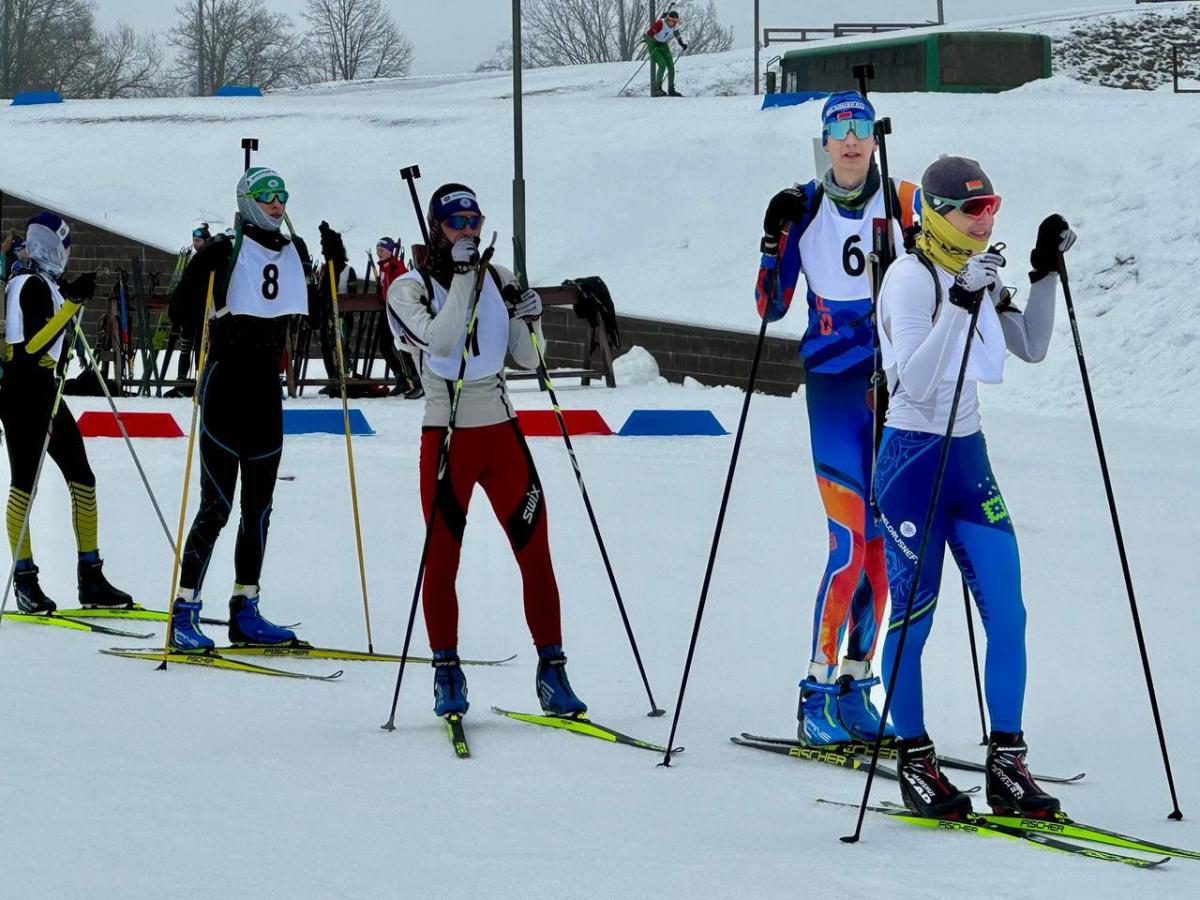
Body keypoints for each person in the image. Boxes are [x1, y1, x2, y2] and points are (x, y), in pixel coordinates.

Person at [874, 154, 1076, 818]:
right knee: (913, 620)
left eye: (991, 208)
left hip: (967, 462)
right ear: (935, 214)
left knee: (1010, 617)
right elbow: (914, 382)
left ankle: (1007, 764)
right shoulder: (910, 279)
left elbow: (1032, 345)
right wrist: (960, 302)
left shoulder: (976, 273)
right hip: (911, 465)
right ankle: (914, 759)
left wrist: (1044, 271)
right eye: (971, 209)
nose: (984, 220)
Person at [385, 183, 586, 720]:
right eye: (456, 223)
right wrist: (460, 277)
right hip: (446, 434)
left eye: (474, 221)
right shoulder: (410, 287)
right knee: (443, 558)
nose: (467, 231)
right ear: (436, 229)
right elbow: (444, 342)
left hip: (502, 433)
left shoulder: (498, 277)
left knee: (535, 551)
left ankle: (553, 671)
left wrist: (531, 316)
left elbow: (526, 358)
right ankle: (446, 671)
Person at [755, 90, 919, 746]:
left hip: (892, 388)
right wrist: (773, 241)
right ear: (825, 142)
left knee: (885, 549)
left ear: (873, 139)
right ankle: (816, 691)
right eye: (838, 130)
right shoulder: (803, 205)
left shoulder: (903, 200)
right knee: (848, 543)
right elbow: (771, 305)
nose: (850, 142)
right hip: (832, 386)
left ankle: (856, 682)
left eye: (860, 129)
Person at [166, 167, 312, 650]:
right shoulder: (220, 251)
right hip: (225, 386)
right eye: (266, 195)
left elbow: (311, 310)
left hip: (265, 393)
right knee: (218, 506)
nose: (276, 203)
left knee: (259, 509)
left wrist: (327, 265)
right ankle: (184, 611)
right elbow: (181, 310)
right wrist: (200, 324)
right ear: (247, 200)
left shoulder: (293, 251)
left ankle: (244, 611)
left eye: (282, 195)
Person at [1, 212, 133, 613]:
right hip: (24, 393)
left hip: (47, 392)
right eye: (66, 246)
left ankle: (90, 576)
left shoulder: (45, 284)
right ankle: (25, 581)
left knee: (82, 477)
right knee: (25, 483)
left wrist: (70, 301)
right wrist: (73, 303)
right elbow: (32, 346)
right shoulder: (28, 284)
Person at [375, 237, 422, 398]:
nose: (379, 253)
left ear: (390, 250)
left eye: (381, 250)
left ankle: (417, 380)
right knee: (385, 345)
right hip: (388, 309)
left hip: (399, 311)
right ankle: (401, 377)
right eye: (377, 250)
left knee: (404, 345)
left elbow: (403, 287)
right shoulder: (383, 266)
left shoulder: (396, 266)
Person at [644, 9, 687, 97]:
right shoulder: (661, 23)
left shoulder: (674, 26)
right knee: (662, 64)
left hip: (662, 44)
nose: (674, 23)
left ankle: (671, 89)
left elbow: (677, 34)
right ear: (668, 19)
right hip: (653, 43)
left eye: (676, 21)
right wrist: (653, 42)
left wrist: (681, 43)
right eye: (672, 21)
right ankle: (658, 89)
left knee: (671, 66)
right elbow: (649, 33)